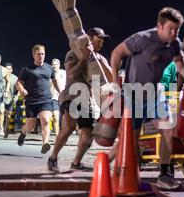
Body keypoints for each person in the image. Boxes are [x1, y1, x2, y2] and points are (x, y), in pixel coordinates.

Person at [109, 7, 184, 190]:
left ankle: (165, 175)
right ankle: (121, 170)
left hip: (155, 94)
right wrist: (114, 82)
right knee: (131, 138)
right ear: (159, 26)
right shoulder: (142, 39)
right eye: (170, 29)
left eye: (177, 30)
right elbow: (116, 53)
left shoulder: (174, 44)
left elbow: (181, 64)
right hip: (133, 94)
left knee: (168, 128)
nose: (174, 33)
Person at [48, 28, 113, 173]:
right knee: (69, 127)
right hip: (70, 95)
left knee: (88, 137)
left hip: (87, 99)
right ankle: (53, 158)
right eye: (99, 40)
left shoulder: (99, 58)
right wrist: (84, 58)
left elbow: (110, 77)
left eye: (103, 41)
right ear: (89, 39)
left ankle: (76, 162)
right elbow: (71, 74)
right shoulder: (73, 53)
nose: (101, 44)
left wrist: (101, 61)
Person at [16, 45, 61, 154]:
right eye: (39, 54)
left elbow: (55, 81)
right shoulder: (27, 69)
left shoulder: (49, 68)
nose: (41, 56)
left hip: (46, 100)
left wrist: (61, 92)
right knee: (30, 127)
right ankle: (23, 133)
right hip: (31, 101)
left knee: (46, 120)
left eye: (43, 54)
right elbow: (18, 82)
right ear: (33, 55)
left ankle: (45, 143)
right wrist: (22, 90)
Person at [0, 63, 19, 138]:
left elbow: (19, 88)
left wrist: (17, 95)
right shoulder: (0, 76)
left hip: (10, 99)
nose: (8, 70)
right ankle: (1, 128)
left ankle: (6, 129)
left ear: (12, 70)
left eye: (9, 69)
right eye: (6, 69)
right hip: (1, 97)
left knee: (9, 116)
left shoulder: (15, 78)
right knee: (1, 111)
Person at [50, 59, 66, 136]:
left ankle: (63, 133)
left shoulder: (64, 73)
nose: (54, 66)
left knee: (64, 118)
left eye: (56, 64)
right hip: (54, 98)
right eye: (53, 64)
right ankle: (57, 136)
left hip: (64, 98)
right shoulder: (49, 74)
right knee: (55, 117)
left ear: (59, 65)